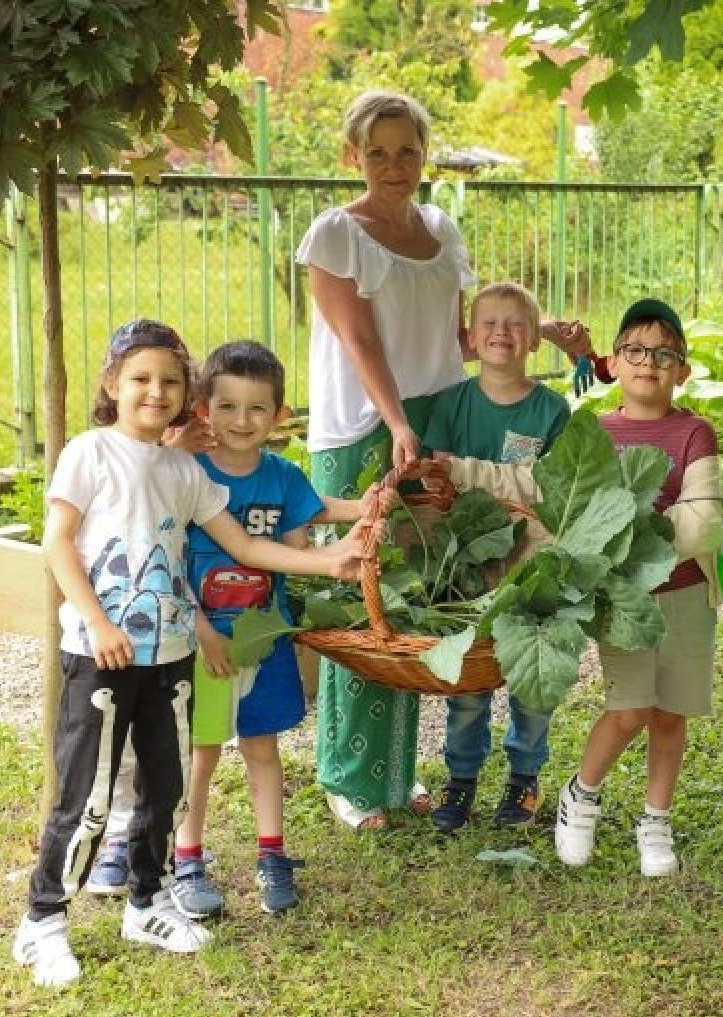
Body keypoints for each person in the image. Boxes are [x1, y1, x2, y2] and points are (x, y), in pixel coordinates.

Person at [12, 320, 369, 988]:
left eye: (170, 381)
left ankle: (147, 902)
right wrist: (96, 621)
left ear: (187, 395)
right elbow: (59, 543)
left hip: (170, 654)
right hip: (101, 654)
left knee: (165, 785)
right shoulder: (89, 453)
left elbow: (244, 547)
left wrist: (325, 561)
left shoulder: (185, 470)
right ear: (112, 383)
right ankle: (43, 920)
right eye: (141, 378)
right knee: (86, 793)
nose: (156, 391)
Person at [296, 89, 475, 830]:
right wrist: (398, 422)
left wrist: (534, 344)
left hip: (435, 424)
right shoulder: (336, 233)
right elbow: (359, 340)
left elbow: (454, 339)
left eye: (408, 151)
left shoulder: (441, 227)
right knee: (359, 603)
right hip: (366, 426)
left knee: (412, 606)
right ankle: (346, 776)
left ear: (424, 154)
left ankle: (395, 777)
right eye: (378, 152)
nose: (395, 166)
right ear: (353, 156)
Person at [167, 341, 386, 919]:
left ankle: (272, 855)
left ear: (279, 415)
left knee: (263, 750)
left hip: (264, 639)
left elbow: (317, 508)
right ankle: (186, 858)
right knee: (203, 752)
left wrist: (370, 507)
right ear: (203, 411)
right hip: (205, 643)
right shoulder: (187, 474)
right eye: (229, 406)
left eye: (257, 408)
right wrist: (199, 630)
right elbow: (164, 558)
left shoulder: (283, 475)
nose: (243, 421)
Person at [553, 298, 723, 877]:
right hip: (621, 597)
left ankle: (656, 818)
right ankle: (580, 794)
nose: (648, 362)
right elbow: (573, 512)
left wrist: (623, 532)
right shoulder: (595, 433)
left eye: (664, 354)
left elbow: (705, 518)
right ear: (614, 361)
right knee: (629, 709)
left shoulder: (694, 432)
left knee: (671, 714)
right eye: (635, 350)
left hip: (684, 592)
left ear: (681, 368)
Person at [421, 282, 571, 831]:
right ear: (470, 335)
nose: (501, 333)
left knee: (533, 677)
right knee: (469, 680)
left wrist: (471, 475)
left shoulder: (553, 411)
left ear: (534, 338)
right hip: (466, 565)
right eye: (488, 322)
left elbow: (549, 491)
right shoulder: (451, 403)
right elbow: (440, 481)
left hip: (533, 566)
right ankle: (460, 780)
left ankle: (524, 780)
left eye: (514, 324)